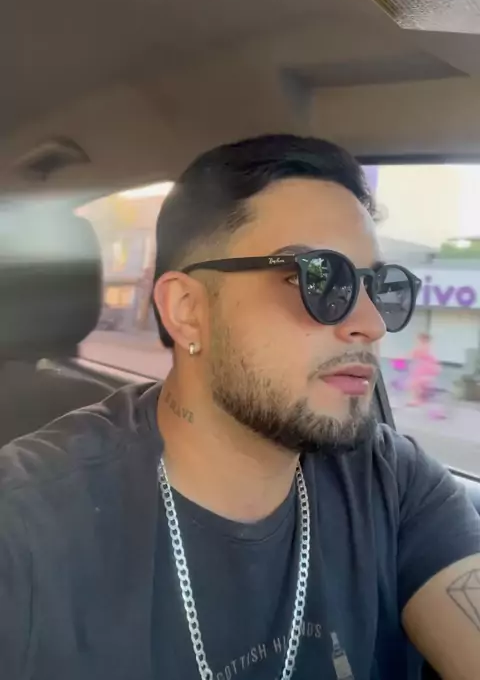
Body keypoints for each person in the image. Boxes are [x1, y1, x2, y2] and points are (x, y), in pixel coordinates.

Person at [1, 134, 479, 680]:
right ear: (188, 310)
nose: (370, 324)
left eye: (379, 286)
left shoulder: (390, 481)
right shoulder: (28, 525)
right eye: (319, 278)